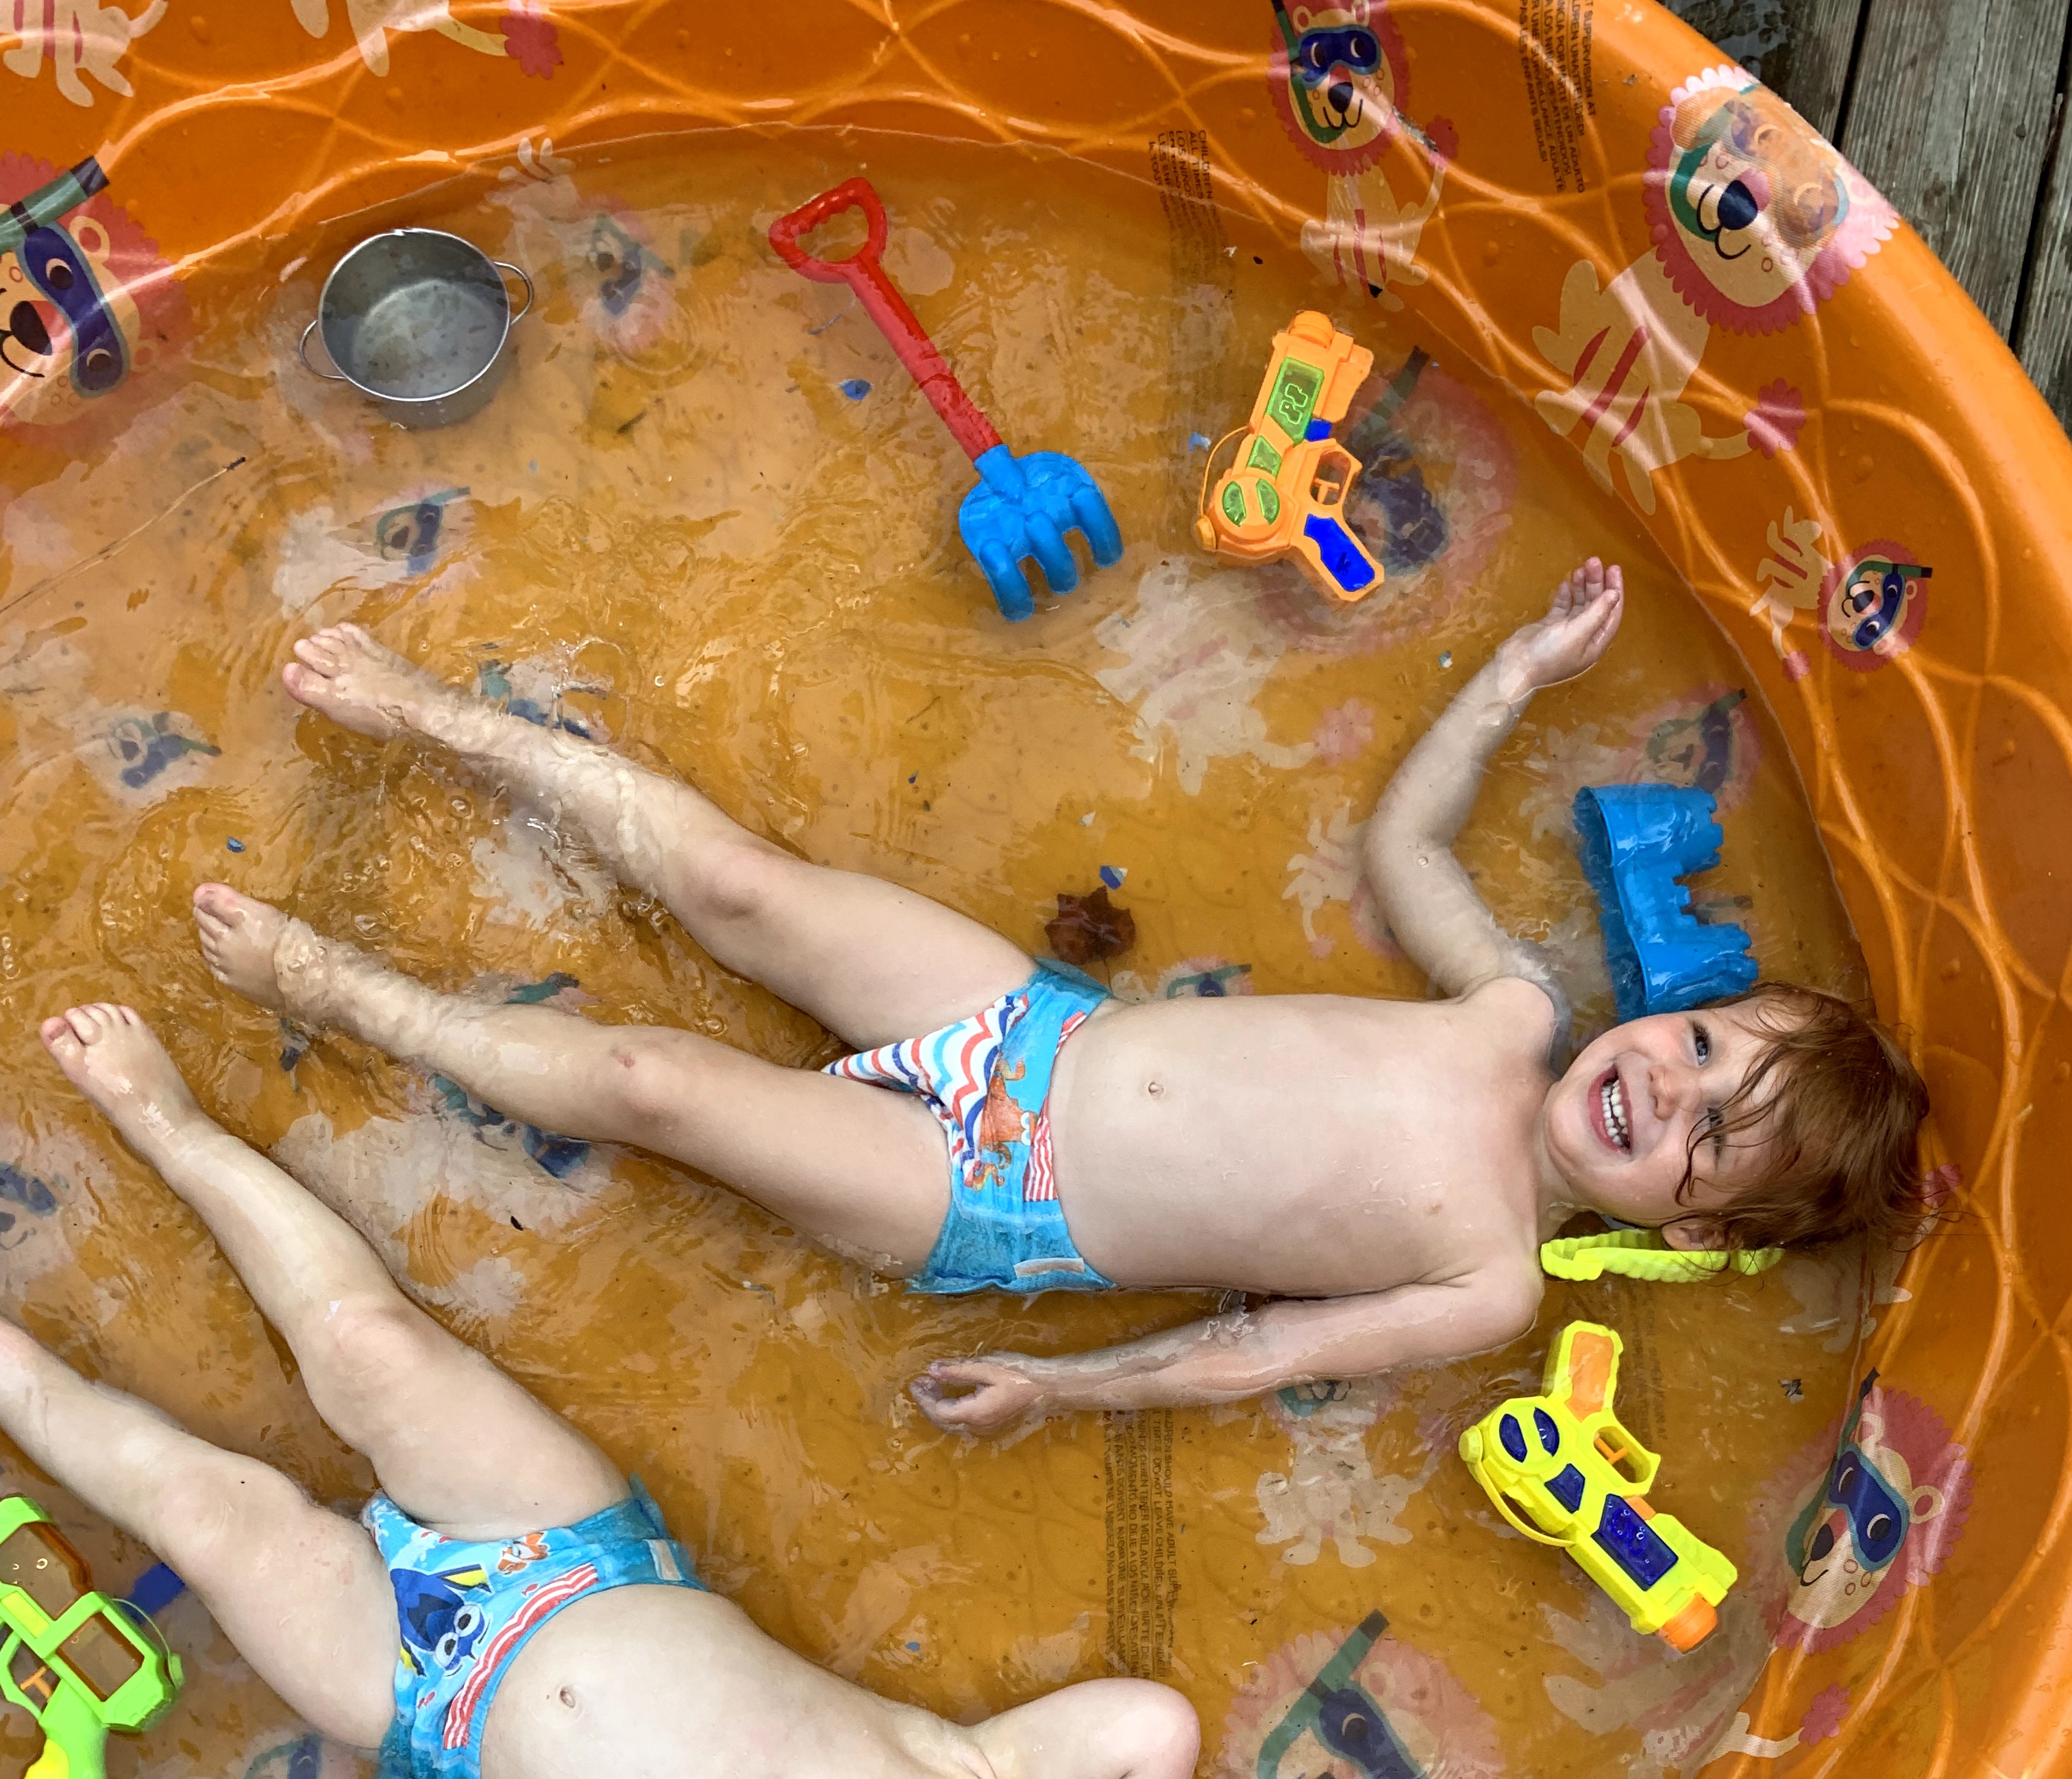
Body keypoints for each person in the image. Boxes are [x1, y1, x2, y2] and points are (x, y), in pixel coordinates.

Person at [17, 1002, 1250, 1779]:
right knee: (363, 1342)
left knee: (208, 1519)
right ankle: (168, 1124)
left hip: (424, 1704)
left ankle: (16, 1382)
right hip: (562, 1544)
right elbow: (1151, 1730)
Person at [189, 560, 1927, 1434]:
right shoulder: (1515, 1014)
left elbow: (1265, 1351)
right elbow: (1409, 843)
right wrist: (1517, 676)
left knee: (657, 1089)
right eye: (1709, 1047)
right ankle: (440, 718)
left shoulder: (1488, 1281)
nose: (1670, 1087)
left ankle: (344, 991)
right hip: (1037, 1030)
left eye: (1712, 1140)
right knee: (742, 889)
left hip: (994, 1203)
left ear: (1696, 1234)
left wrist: (1066, 1390)